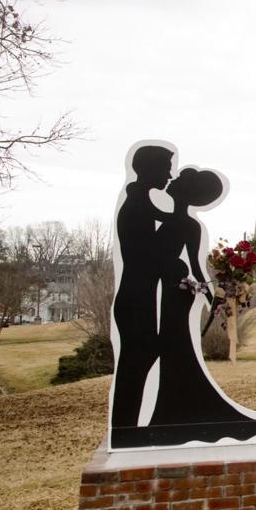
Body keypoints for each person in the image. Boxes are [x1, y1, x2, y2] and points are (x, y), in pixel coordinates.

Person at [144, 167, 256, 446]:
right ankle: (165, 410)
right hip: (162, 292)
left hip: (176, 295)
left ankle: (175, 409)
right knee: (167, 348)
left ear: (187, 191)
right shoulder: (164, 216)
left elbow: (199, 271)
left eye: (179, 180)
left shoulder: (190, 226)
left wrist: (219, 294)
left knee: (176, 348)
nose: (172, 181)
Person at [109, 144, 173, 446]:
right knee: (136, 363)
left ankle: (129, 430)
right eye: (166, 168)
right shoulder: (136, 205)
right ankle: (124, 432)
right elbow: (148, 255)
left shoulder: (143, 202)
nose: (170, 175)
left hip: (141, 298)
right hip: (135, 300)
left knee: (144, 358)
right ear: (148, 169)